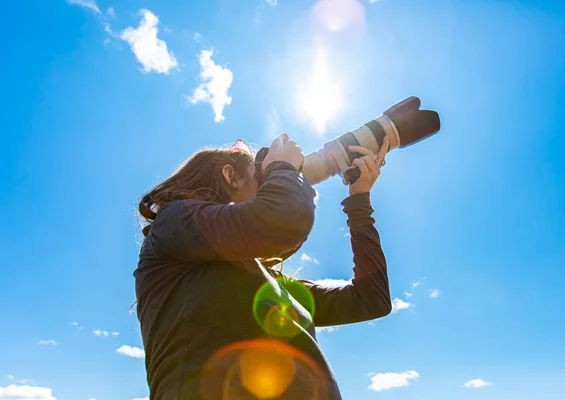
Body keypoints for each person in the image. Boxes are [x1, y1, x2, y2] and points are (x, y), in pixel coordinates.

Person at [134, 133, 392, 399]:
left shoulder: (264, 286)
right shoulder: (174, 221)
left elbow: (371, 299)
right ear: (230, 176)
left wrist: (359, 202)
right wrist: (282, 167)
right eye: (262, 177)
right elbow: (282, 220)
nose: (269, 184)